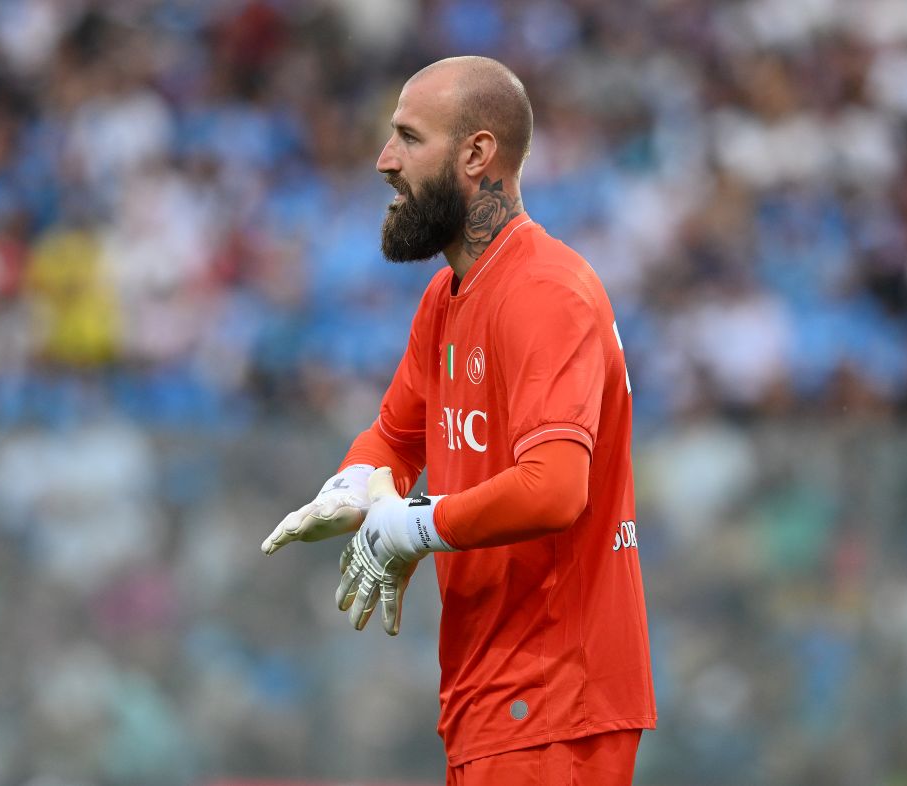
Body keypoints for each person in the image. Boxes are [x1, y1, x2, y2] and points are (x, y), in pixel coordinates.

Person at [262, 56, 656, 786]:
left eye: (408, 139)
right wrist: (355, 488)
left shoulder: (543, 290)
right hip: (498, 702)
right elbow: (394, 436)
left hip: (552, 699)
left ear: (476, 154)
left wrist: (410, 528)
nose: (384, 162)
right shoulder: (449, 296)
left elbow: (554, 488)